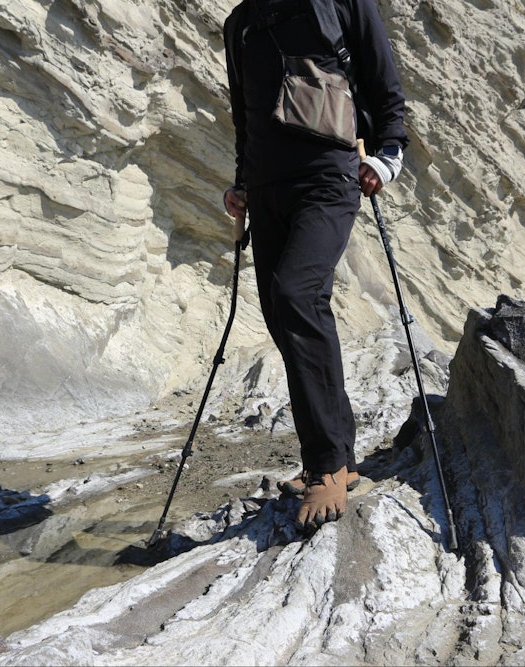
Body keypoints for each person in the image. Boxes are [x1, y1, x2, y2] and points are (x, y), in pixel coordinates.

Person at [221, 0, 408, 531]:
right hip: (265, 186)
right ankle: (337, 457)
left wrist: (388, 154)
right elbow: (246, 113)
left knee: (297, 295)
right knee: (283, 315)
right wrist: (241, 182)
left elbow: (380, 76)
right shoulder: (238, 24)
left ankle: (326, 465)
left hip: (328, 176)